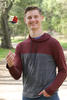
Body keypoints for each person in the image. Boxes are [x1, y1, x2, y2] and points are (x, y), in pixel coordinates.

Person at [6, 6, 67, 100]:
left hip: (49, 96)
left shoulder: (53, 44)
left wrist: (50, 90)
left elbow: (63, 70)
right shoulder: (21, 46)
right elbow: (17, 75)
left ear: (41, 18)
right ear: (25, 20)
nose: (33, 20)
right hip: (27, 97)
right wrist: (11, 66)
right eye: (29, 17)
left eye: (36, 16)